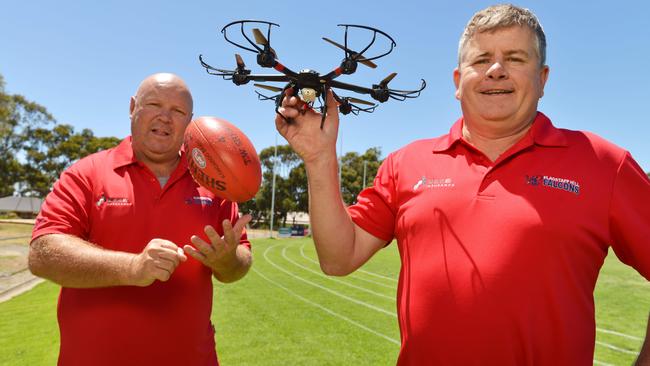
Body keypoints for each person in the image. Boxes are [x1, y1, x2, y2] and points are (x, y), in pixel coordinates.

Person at [275, 4, 650, 365]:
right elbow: (339, 258)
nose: (496, 70)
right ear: (458, 81)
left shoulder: (604, 163)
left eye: (515, 58)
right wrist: (320, 159)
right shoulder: (405, 163)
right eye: (481, 60)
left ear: (543, 79)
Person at [28, 73, 252, 366]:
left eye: (178, 111)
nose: (165, 117)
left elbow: (240, 262)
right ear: (133, 107)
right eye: (154, 104)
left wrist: (227, 261)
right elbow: (42, 254)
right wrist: (132, 267)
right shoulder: (86, 173)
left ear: (190, 122)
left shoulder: (215, 182)